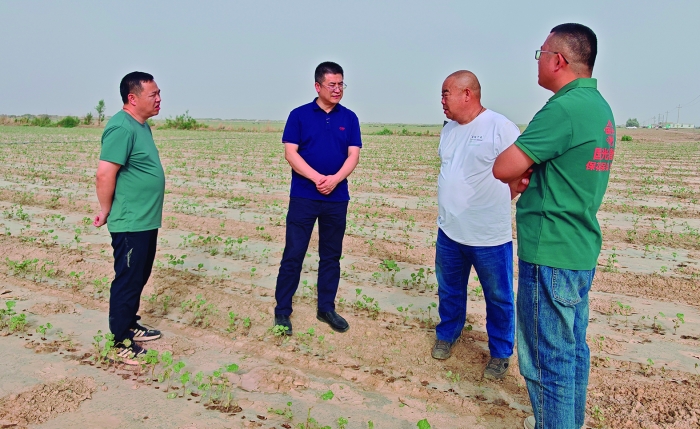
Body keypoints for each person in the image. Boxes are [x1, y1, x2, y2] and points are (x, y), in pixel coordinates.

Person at [493, 24, 615, 429]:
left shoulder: (563, 108)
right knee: (572, 352)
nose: (538, 61)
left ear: (558, 60)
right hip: (578, 247)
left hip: (550, 251)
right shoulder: (598, 106)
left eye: (541, 53)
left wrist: (521, 172)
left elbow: (504, 166)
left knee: (547, 361)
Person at [431, 70, 520, 381]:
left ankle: (500, 352)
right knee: (449, 289)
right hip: (449, 231)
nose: (442, 100)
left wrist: (494, 203)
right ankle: (448, 334)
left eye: (446, 93)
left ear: (467, 94)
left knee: (498, 297)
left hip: (488, 237)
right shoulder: (449, 130)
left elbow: (522, 174)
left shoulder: (500, 127)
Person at [273, 62, 362, 335]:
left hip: (337, 198)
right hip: (304, 197)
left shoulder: (349, 118)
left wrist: (334, 180)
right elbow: (291, 153)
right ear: (317, 86)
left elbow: (353, 155)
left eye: (341, 84)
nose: (337, 89)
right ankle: (282, 311)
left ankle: (326, 308)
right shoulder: (299, 115)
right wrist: (317, 178)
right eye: (332, 84)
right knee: (294, 254)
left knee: (331, 256)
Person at [94, 71, 165, 365]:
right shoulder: (121, 127)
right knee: (127, 280)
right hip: (130, 221)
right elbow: (104, 174)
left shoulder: (141, 126)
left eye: (159, 93)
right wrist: (105, 209)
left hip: (145, 219)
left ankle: (130, 324)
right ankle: (119, 341)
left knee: (139, 276)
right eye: (153, 94)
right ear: (133, 99)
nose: (159, 99)